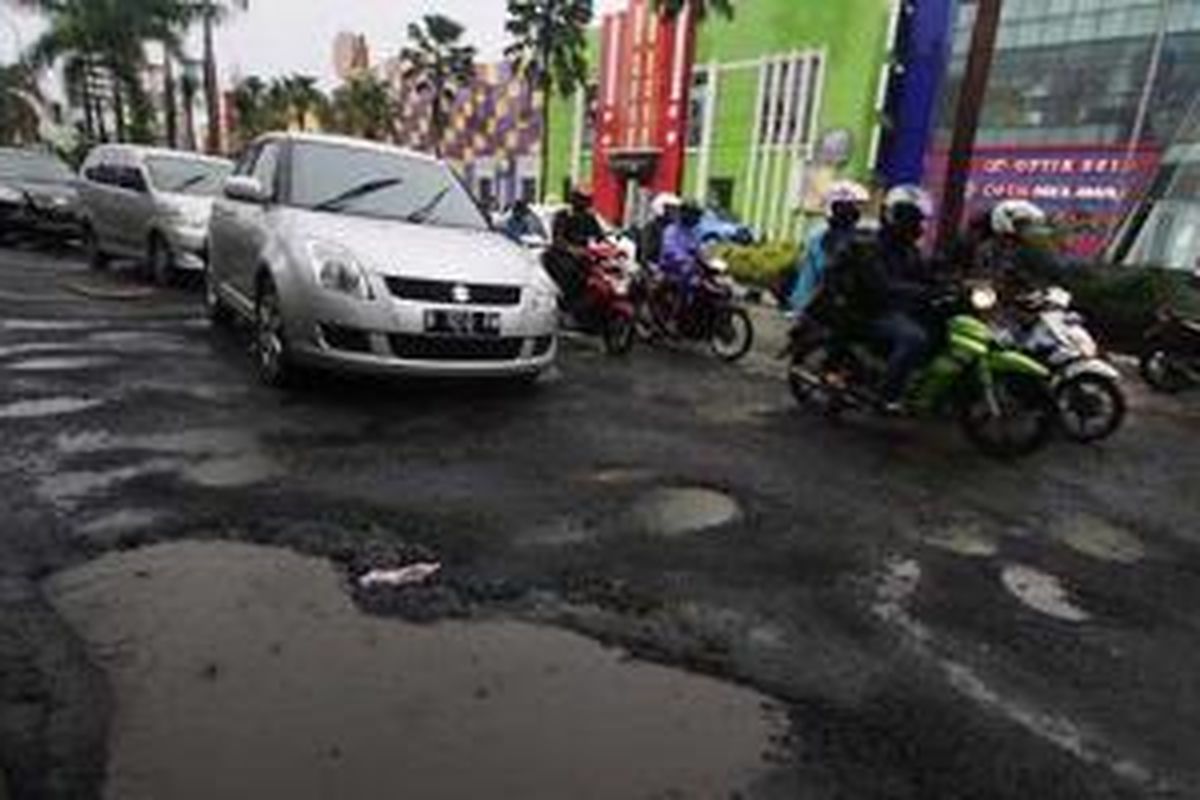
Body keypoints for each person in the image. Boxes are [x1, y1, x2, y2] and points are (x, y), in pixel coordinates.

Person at [822, 184, 935, 412]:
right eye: (911, 219)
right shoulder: (870, 247)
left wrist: (953, 283)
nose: (917, 226)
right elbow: (882, 286)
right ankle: (887, 395)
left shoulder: (909, 250)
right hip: (870, 311)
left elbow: (926, 274)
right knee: (914, 338)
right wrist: (921, 291)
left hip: (896, 309)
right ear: (894, 217)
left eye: (919, 220)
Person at [786, 180, 871, 313]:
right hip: (824, 310)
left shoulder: (865, 238)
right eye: (849, 207)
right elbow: (807, 282)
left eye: (855, 207)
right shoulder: (819, 239)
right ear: (835, 208)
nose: (855, 211)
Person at [980, 199, 1061, 300]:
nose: (1029, 228)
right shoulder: (988, 248)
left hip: (1029, 299)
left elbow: (1051, 271)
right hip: (996, 298)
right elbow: (982, 273)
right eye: (1022, 223)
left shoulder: (1035, 250)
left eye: (1029, 224)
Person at [544, 187, 605, 308]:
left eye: (586, 200)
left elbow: (600, 236)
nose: (585, 203)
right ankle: (568, 303)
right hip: (563, 254)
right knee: (573, 273)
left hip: (586, 254)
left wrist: (610, 245)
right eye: (582, 199)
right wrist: (571, 249)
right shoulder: (563, 215)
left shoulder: (589, 217)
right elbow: (558, 238)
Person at [659, 202, 706, 316]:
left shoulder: (692, 232)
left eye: (697, 216)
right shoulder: (672, 230)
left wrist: (705, 258)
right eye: (693, 215)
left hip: (690, 269)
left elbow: (698, 248)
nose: (695, 219)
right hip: (671, 268)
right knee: (685, 285)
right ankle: (676, 317)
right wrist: (684, 259)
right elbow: (670, 249)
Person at [641, 193, 681, 267]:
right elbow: (647, 254)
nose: (675, 212)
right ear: (661, 208)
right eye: (672, 208)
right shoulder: (652, 228)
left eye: (676, 209)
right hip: (656, 270)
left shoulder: (677, 229)